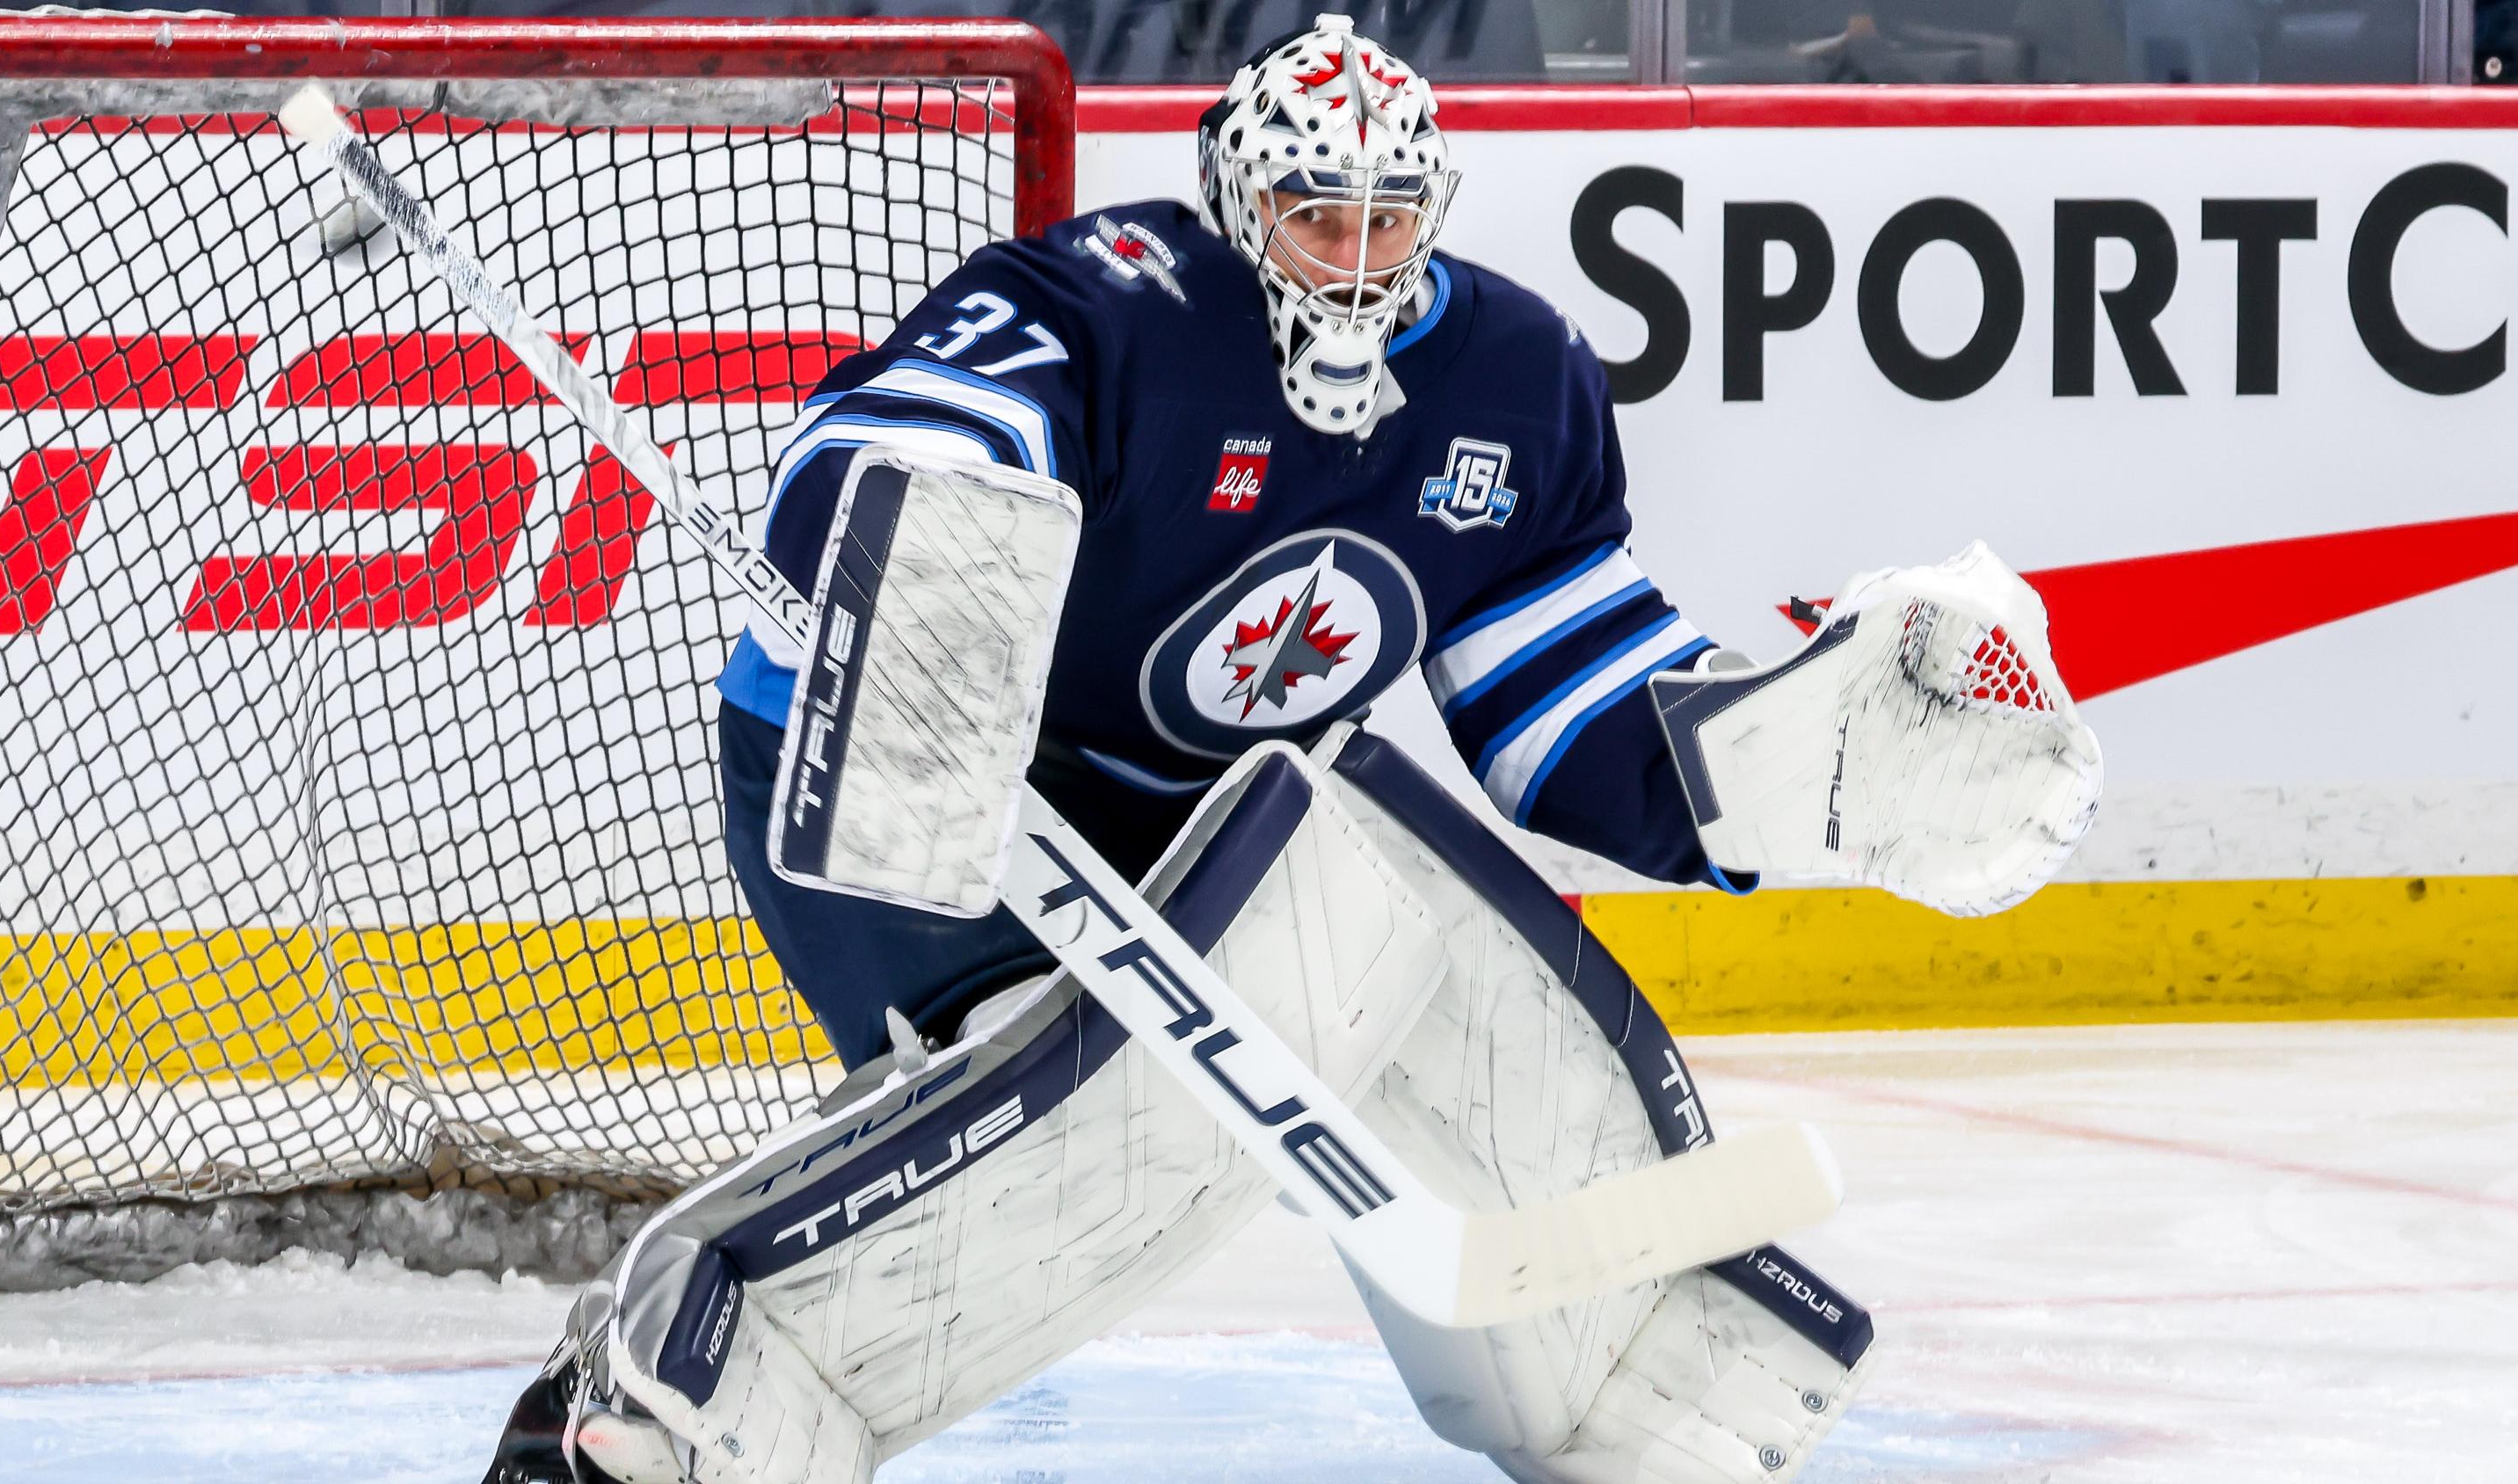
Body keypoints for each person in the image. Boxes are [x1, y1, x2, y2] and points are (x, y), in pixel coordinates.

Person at [484, 17, 1906, 1482]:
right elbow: (904, 431)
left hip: (1203, 836)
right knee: (1078, 1138)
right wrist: (929, 521)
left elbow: (1567, 703)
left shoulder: (1514, 382)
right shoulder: (1115, 302)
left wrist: (1801, 766)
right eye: (1312, 215)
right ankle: (654, 1404)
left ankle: (1627, 1358)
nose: (1352, 254)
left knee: (1388, 918)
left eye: (1386, 216)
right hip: (907, 771)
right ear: (1239, 199)